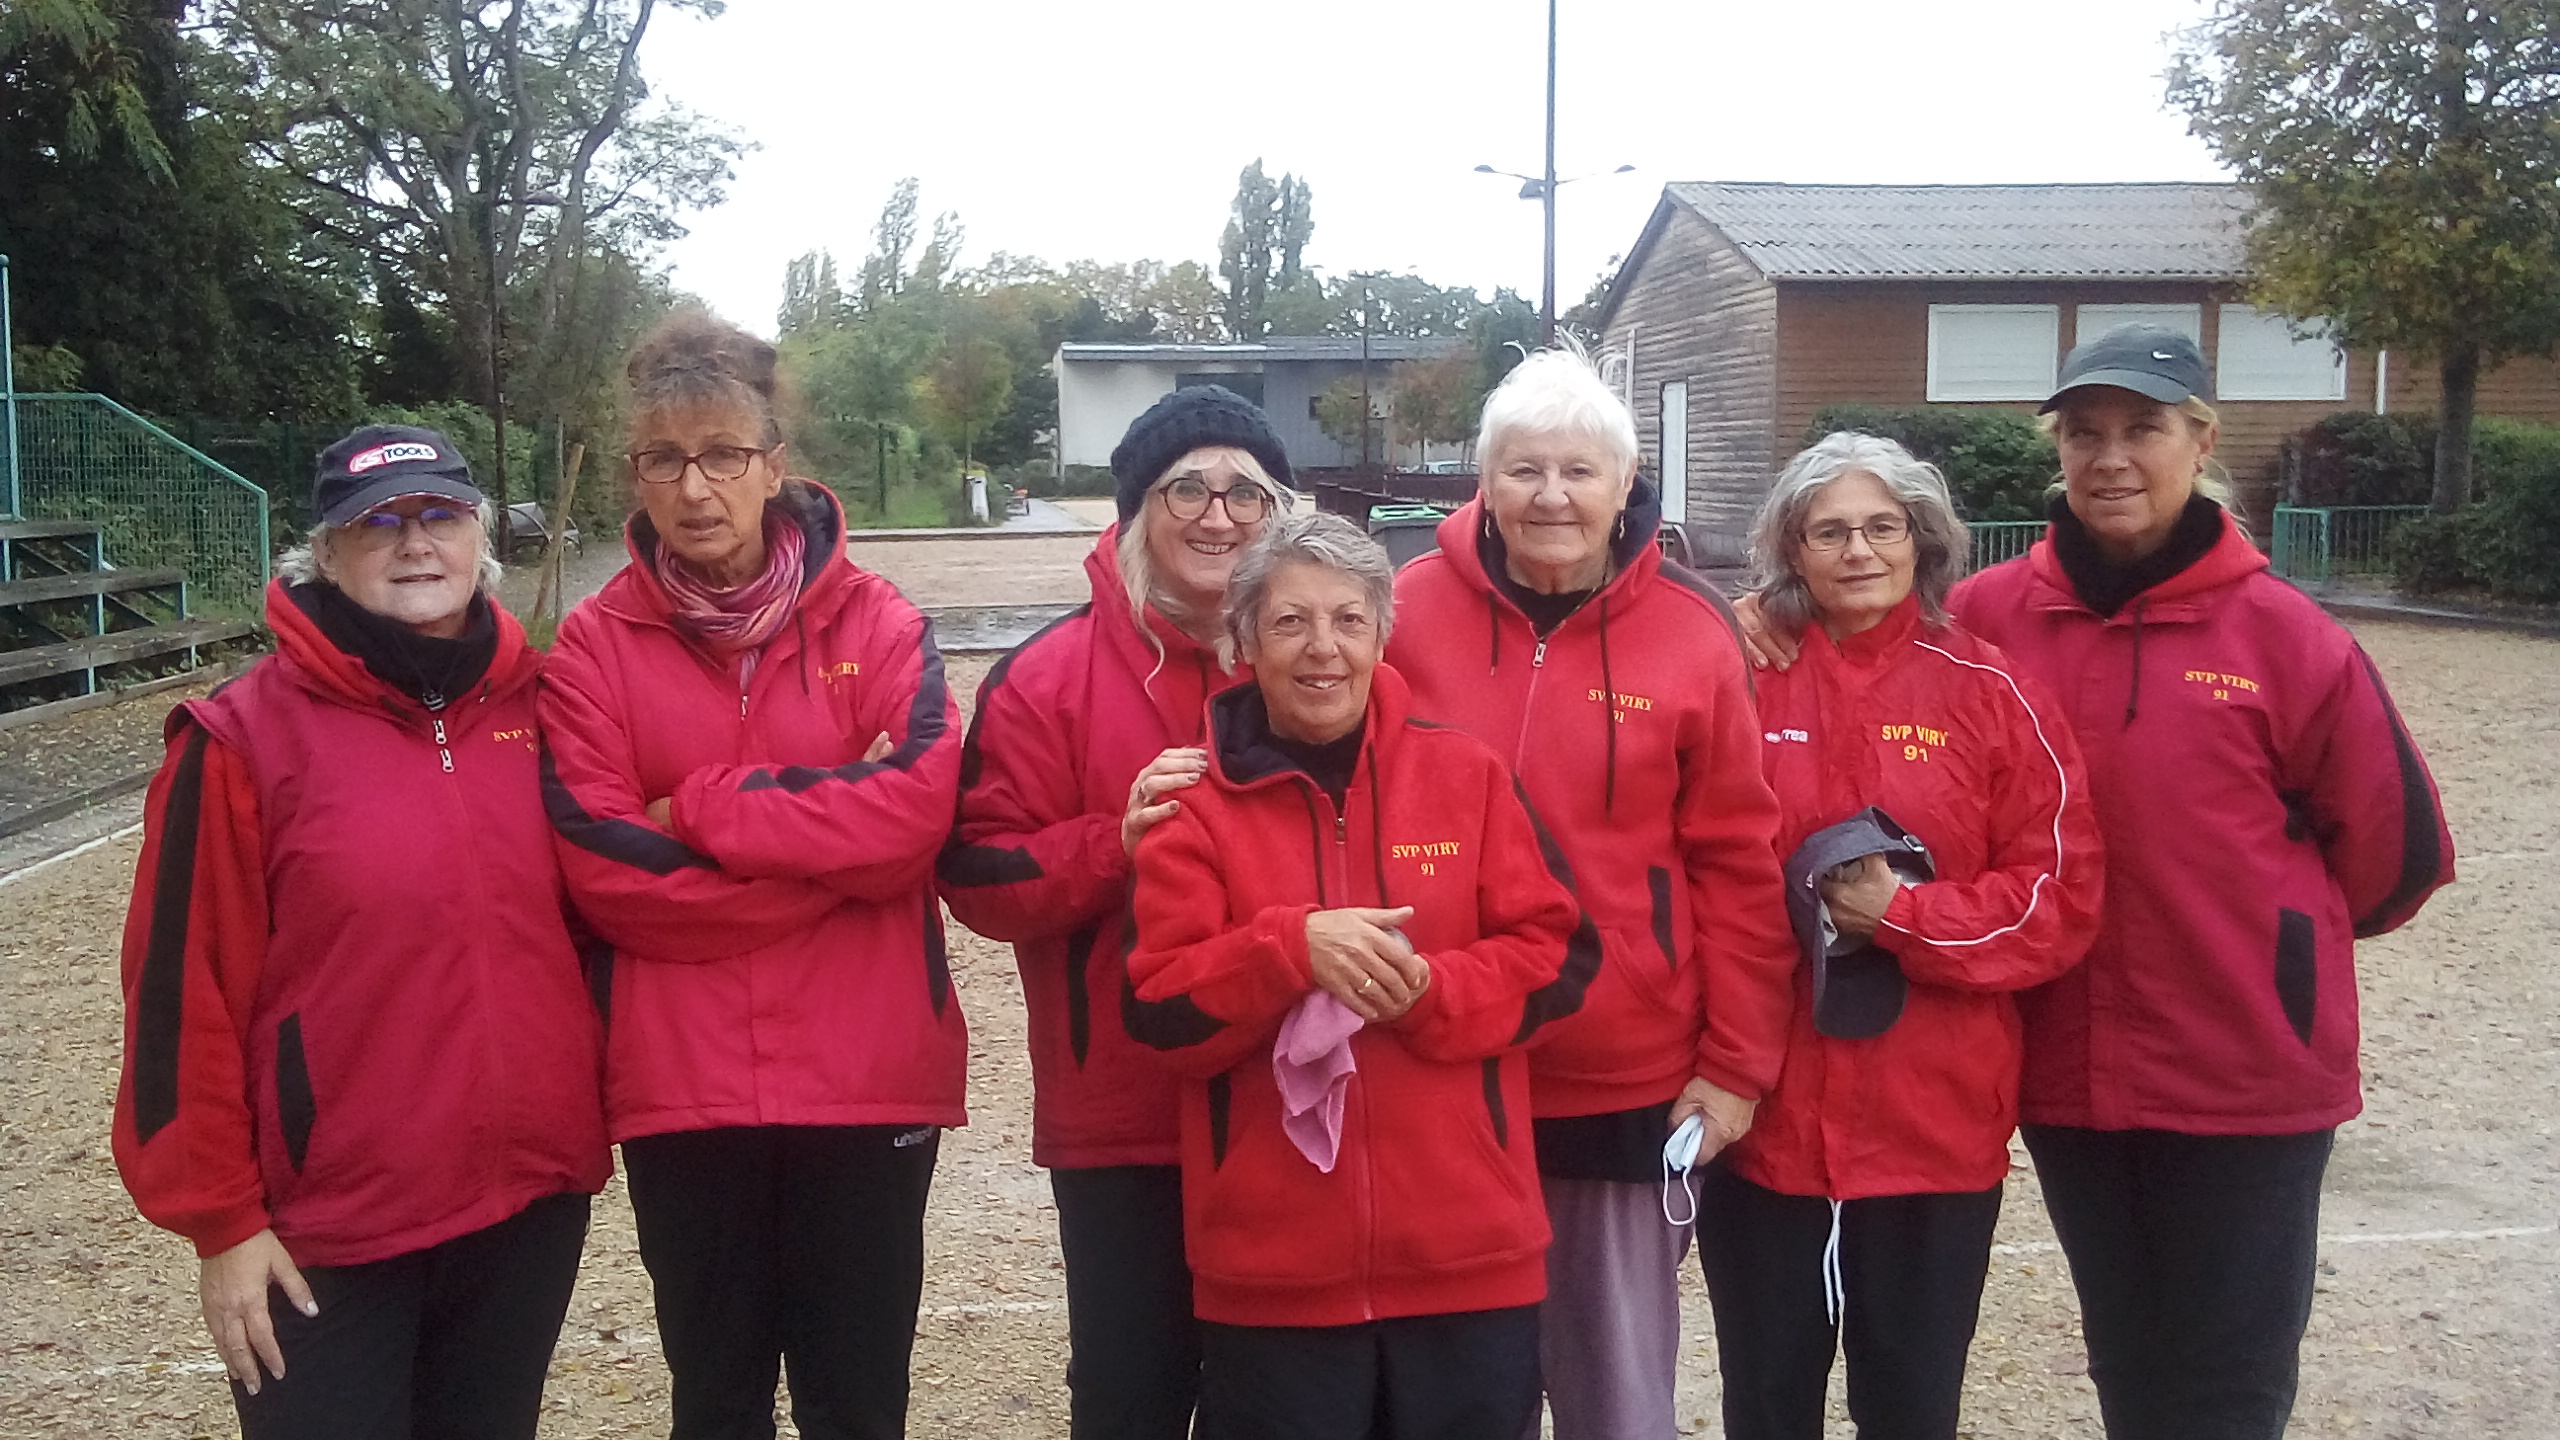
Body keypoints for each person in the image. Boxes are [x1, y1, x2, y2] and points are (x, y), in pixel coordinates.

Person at [1734, 325, 2455, 1440]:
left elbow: (2392, 855)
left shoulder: (2285, 633)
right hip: (2073, 1075)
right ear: (2055, 452)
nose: (2111, 457)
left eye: (2143, 430)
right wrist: (1752, 621)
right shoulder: (1989, 618)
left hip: (2239, 1066)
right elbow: (1858, 641)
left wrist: (2277, 948)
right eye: (2084, 434)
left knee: (2225, 1384)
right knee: (2127, 1364)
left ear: (2200, 440)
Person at [110, 425, 610, 1438]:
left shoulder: (548, 706)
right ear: (324, 554)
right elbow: (177, 998)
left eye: (438, 516)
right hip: (328, 1230)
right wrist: (223, 1222)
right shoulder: (239, 740)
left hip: (526, 1206)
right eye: (377, 523)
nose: (413, 544)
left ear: (479, 537)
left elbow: (626, 883)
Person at [540, 311, 965, 1440]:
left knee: (857, 1400)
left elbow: (916, 815)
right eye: (665, 459)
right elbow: (606, 873)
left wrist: (707, 810)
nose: (695, 487)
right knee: (715, 1399)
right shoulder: (592, 647)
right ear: (635, 474)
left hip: (869, 1071)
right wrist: (838, 858)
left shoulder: (877, 622)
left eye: (724, 453)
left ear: (776, 465)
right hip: (686, 1085)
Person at [1386, 346, 1798, 1438]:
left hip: (1621, 1070)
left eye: (1578, 470)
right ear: (1484, 482)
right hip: (1439, 1061)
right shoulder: (1402, 611)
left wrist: (1737, 1066)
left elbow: (1739, 866)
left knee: (1615, 1393)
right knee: (1458, 1393)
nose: (1551, 495)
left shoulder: (1694, 632)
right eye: (1523, 470)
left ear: (1625, 487)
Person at [1121, 512, 1594, 1440]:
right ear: (1243, 643)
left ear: (1382, 634)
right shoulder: (1191, 805)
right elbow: (1160, 1015)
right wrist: (1287, 950)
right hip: (1273, 1271)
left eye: (1348, 620)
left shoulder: (1468, 775)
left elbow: (1563, 962)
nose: (1323, 650)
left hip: (1470, 1252)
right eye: (1290, 623)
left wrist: (1431, 993)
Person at [1693, 431, 2105, 1440]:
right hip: (1768, 1126)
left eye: (1882, 527)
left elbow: (2059, 898)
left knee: (1912, 1405)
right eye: (1827, 531)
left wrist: (1906, 917)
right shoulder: (1739, 676)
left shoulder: (1991, 691)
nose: (1857, 551)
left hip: (1933, 1129)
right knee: (1765, 1403)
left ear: (1922, 541)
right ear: (1790, 549)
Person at [939, 384, 1293, 1439]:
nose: (1217, 516)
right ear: (1136, 509)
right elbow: (975, 876)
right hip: (1121, 1113)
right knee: (1130, 1391)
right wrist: (1113, 842)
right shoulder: (1047, 678)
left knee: (1277, 1395)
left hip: (1292, 1102)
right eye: (1188, 487)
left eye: (1247, 493)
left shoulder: (1327, 654)